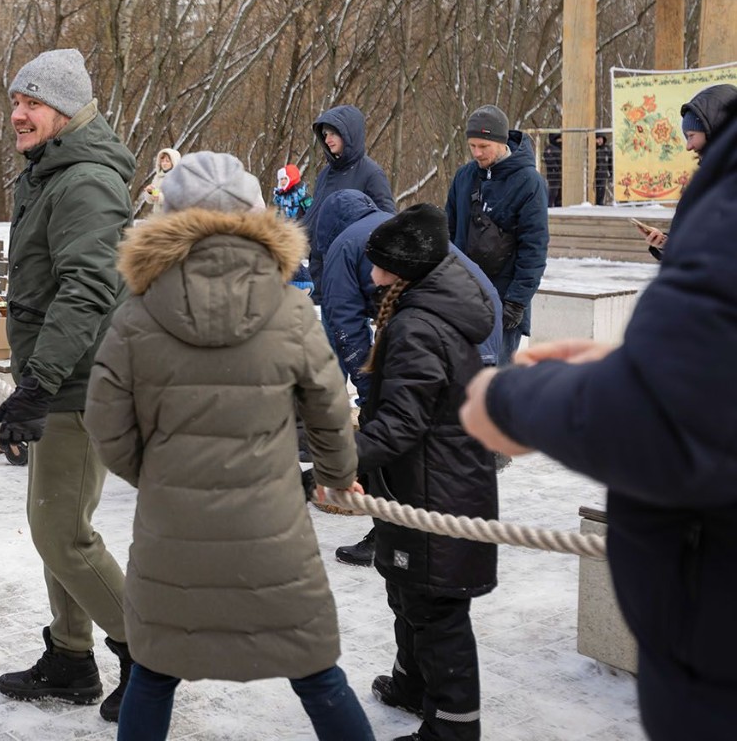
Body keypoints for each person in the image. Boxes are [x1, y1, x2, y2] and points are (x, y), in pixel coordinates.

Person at [459, 52, 737, 740]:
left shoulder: (525, 182)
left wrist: (510, 401)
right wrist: (637, 358)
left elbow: (677, 416)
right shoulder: (467, 180)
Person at [85, 151, 373, 741]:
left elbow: (106, 425)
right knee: (317, 674)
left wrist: (161, 473)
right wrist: (338, 477)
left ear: (169, 219)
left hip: (173, 535)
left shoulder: (136, 315)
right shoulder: (292, 309)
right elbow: (330, 408)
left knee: (154, 673)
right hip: (273, 534)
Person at [0, 48, 136, 722]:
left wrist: (40, 382)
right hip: (57, 375)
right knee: (56, 522)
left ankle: (150, 654)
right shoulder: (50, 171)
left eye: (33, 103)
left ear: (68, 111)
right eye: (15, 100)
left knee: (60, 532)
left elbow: (88, 285)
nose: (18, 114)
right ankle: (72, 657)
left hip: (81, 381)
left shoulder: (83, 182)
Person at [354, 204, 497, 741]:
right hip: (420, 483)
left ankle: (454, 729)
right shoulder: (418, 310)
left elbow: (400, 423)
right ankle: (413, 683)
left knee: (436, 609)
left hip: (438, 489)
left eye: (378, 264)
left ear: (399, 269)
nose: (370, 274)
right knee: (407, 588)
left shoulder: (416, 325)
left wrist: (342, 458)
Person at [311, 191, 502, 567]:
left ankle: (390, 533)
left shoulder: (346, 245)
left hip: (443, 340)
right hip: (482, 327)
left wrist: (370, 392)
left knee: (400, 440)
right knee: (446, 440)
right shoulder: (397, 228)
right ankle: (445, 529)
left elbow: (345, 325)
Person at [445, 105, 548, 365]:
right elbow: (448, 230)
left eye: (484, 146)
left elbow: (534, 247)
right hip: (463, 294)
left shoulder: (529, 182)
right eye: (472, 146)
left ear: (501, 143)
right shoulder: (464, 176)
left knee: (495, 382)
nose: (477, 153)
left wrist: (517, 301)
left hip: (504, 300)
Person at [638, 83, 737, 259]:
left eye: (691, 136)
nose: (688, 146)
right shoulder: (708, 180)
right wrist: (667, 243)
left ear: (713, 128)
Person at [307, 105, 395, 297]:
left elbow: (386, 222)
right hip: (318, 269)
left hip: (350, 268)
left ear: (348, 134)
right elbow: (314, 218)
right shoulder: (325, 174)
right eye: (325, 134)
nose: (327, 139)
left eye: (333, 134)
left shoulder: (371, 173)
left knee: (344, 321)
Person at [136, 147, 179, 216]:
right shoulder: (157, 177)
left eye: (167, 161)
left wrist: (159, 197)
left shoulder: (177, 177)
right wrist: (150, 192)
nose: (164, 164)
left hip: (172, 216)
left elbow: (176, 198)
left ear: (174, 162)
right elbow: (152, 199)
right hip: (158, 216)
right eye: (162, 161)